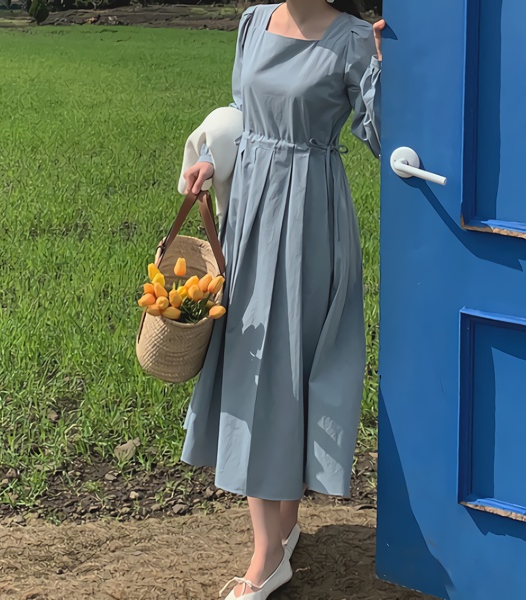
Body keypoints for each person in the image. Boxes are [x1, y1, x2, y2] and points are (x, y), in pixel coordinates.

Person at [181, 1, 385, 598]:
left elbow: (383, 136)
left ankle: (268, 555)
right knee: (252, 361)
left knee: (288, 364)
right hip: (249, 211)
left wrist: (386, 69)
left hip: (309, 220)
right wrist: (211, 159)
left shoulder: (354, 39)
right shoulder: (253, 21)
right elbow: (241, 111)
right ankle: (276, 535)